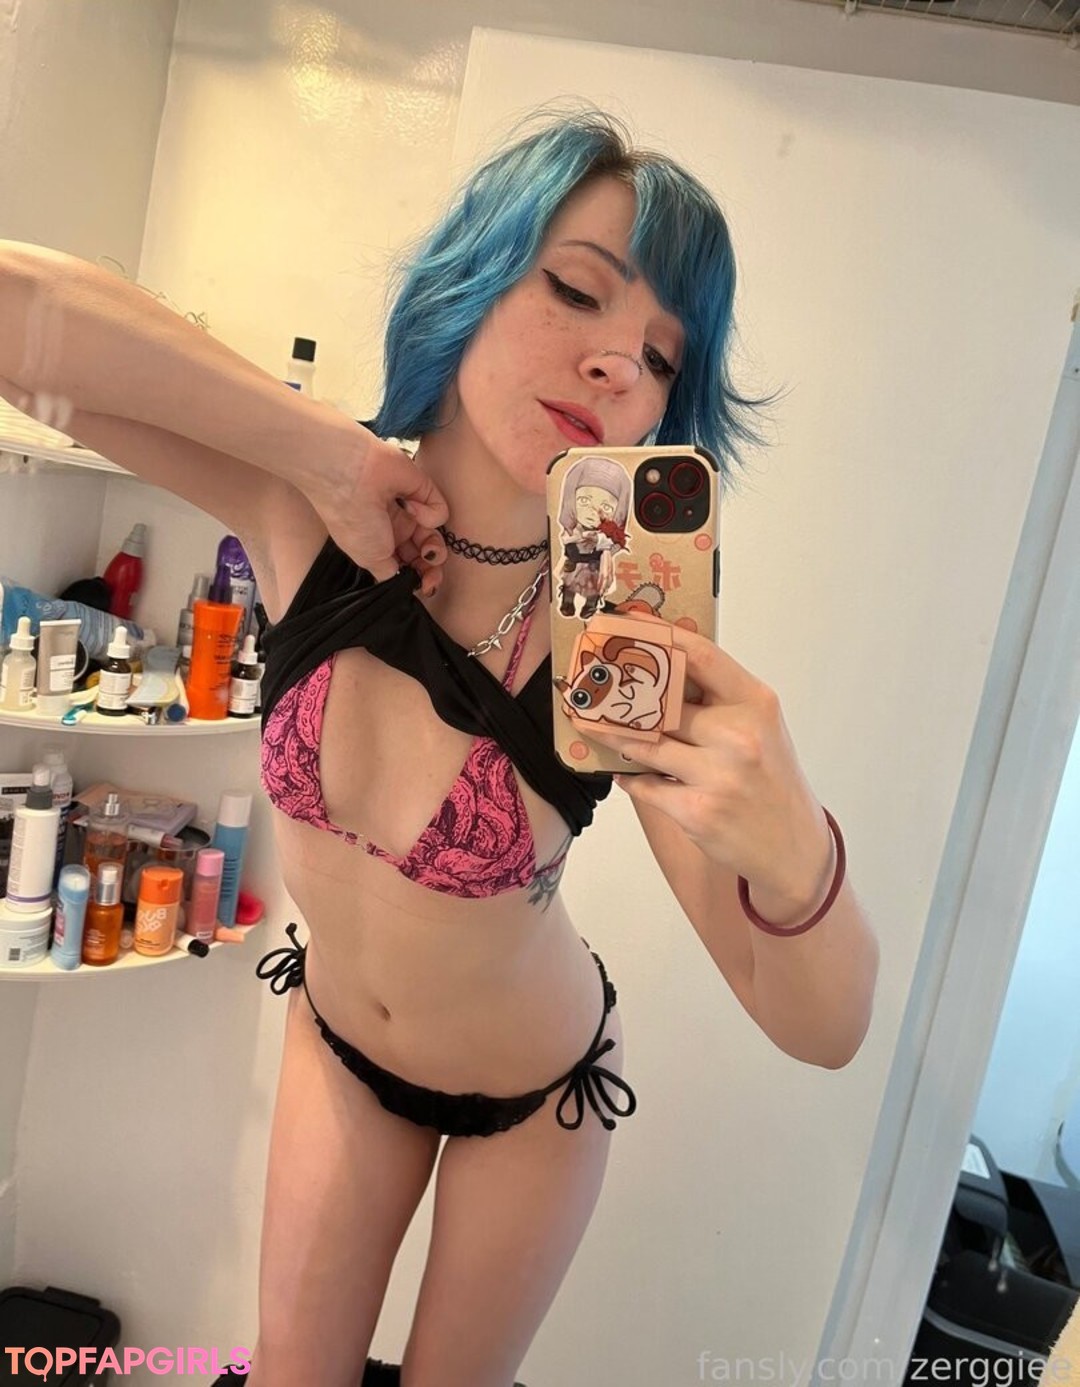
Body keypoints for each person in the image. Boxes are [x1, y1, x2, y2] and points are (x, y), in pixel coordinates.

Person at [0, 108, 879, 1387]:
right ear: (476, 271)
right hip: (339, 1044)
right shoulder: (304, 510)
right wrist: (317, 447)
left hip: (535, 1098)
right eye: (575, 290)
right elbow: (18, 323)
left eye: (659, 358)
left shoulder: (616, 635)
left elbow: (824, 1026)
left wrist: (793, 848)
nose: (616, 364)